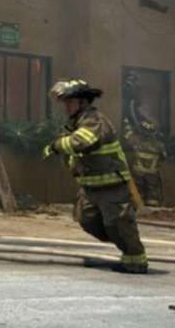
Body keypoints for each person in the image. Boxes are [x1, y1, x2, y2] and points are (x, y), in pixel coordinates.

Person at [41, 78, 149, 274]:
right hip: (90, 188)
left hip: (112, 187)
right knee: (86, 220)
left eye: (70, 102)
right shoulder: (75, 124)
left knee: (118, 223)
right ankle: (121, 241)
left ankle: (136, 261)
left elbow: (84, 142)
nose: (66, 106)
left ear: (83, 102)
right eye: (64, 102)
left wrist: (57, 146)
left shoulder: (95, 120)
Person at [122, 113, 166, 207]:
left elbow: (127, 136)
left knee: (138, 193)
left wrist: (126, 122)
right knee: (153, 197)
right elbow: (163, 157)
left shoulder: (136, 142)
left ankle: (139, 211)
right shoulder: (159, 145)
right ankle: (153, 212)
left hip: (138, 173)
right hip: (152, 175)